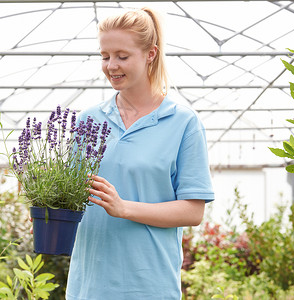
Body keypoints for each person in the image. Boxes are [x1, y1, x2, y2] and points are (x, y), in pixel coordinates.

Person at [65, 7, 215, 300]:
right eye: (105, 56)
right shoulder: (88, 122)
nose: (111, 66)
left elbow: (193, 211)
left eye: (122, 56)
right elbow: (71, 197)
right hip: (89, 287)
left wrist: (124, 208)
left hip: (150, 287)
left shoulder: (183, 123)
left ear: (150, 54)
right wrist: (48, 208)